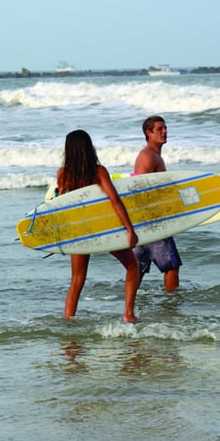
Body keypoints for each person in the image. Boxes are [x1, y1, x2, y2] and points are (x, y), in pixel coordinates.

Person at [57, 130, 140, 322]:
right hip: (101, 228)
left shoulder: (63, 174)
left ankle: (68, 321)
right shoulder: (98, 171)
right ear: (88, 147)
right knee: (132, 265)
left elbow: (62, 206)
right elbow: (115, 200)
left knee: (77, 281)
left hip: (78, 231)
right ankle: (128, 313)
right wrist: (129, 229)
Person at [133, 115, 182, 292]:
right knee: (171, 265)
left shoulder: (153, 155)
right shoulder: (148, 156)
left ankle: (129, 305)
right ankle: (172, 308)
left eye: (165, 128)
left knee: (138, 267)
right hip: (152, 220)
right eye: (160, 129)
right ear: (148, 132)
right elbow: (141, 189)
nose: (165, 131)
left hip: (142, 221)